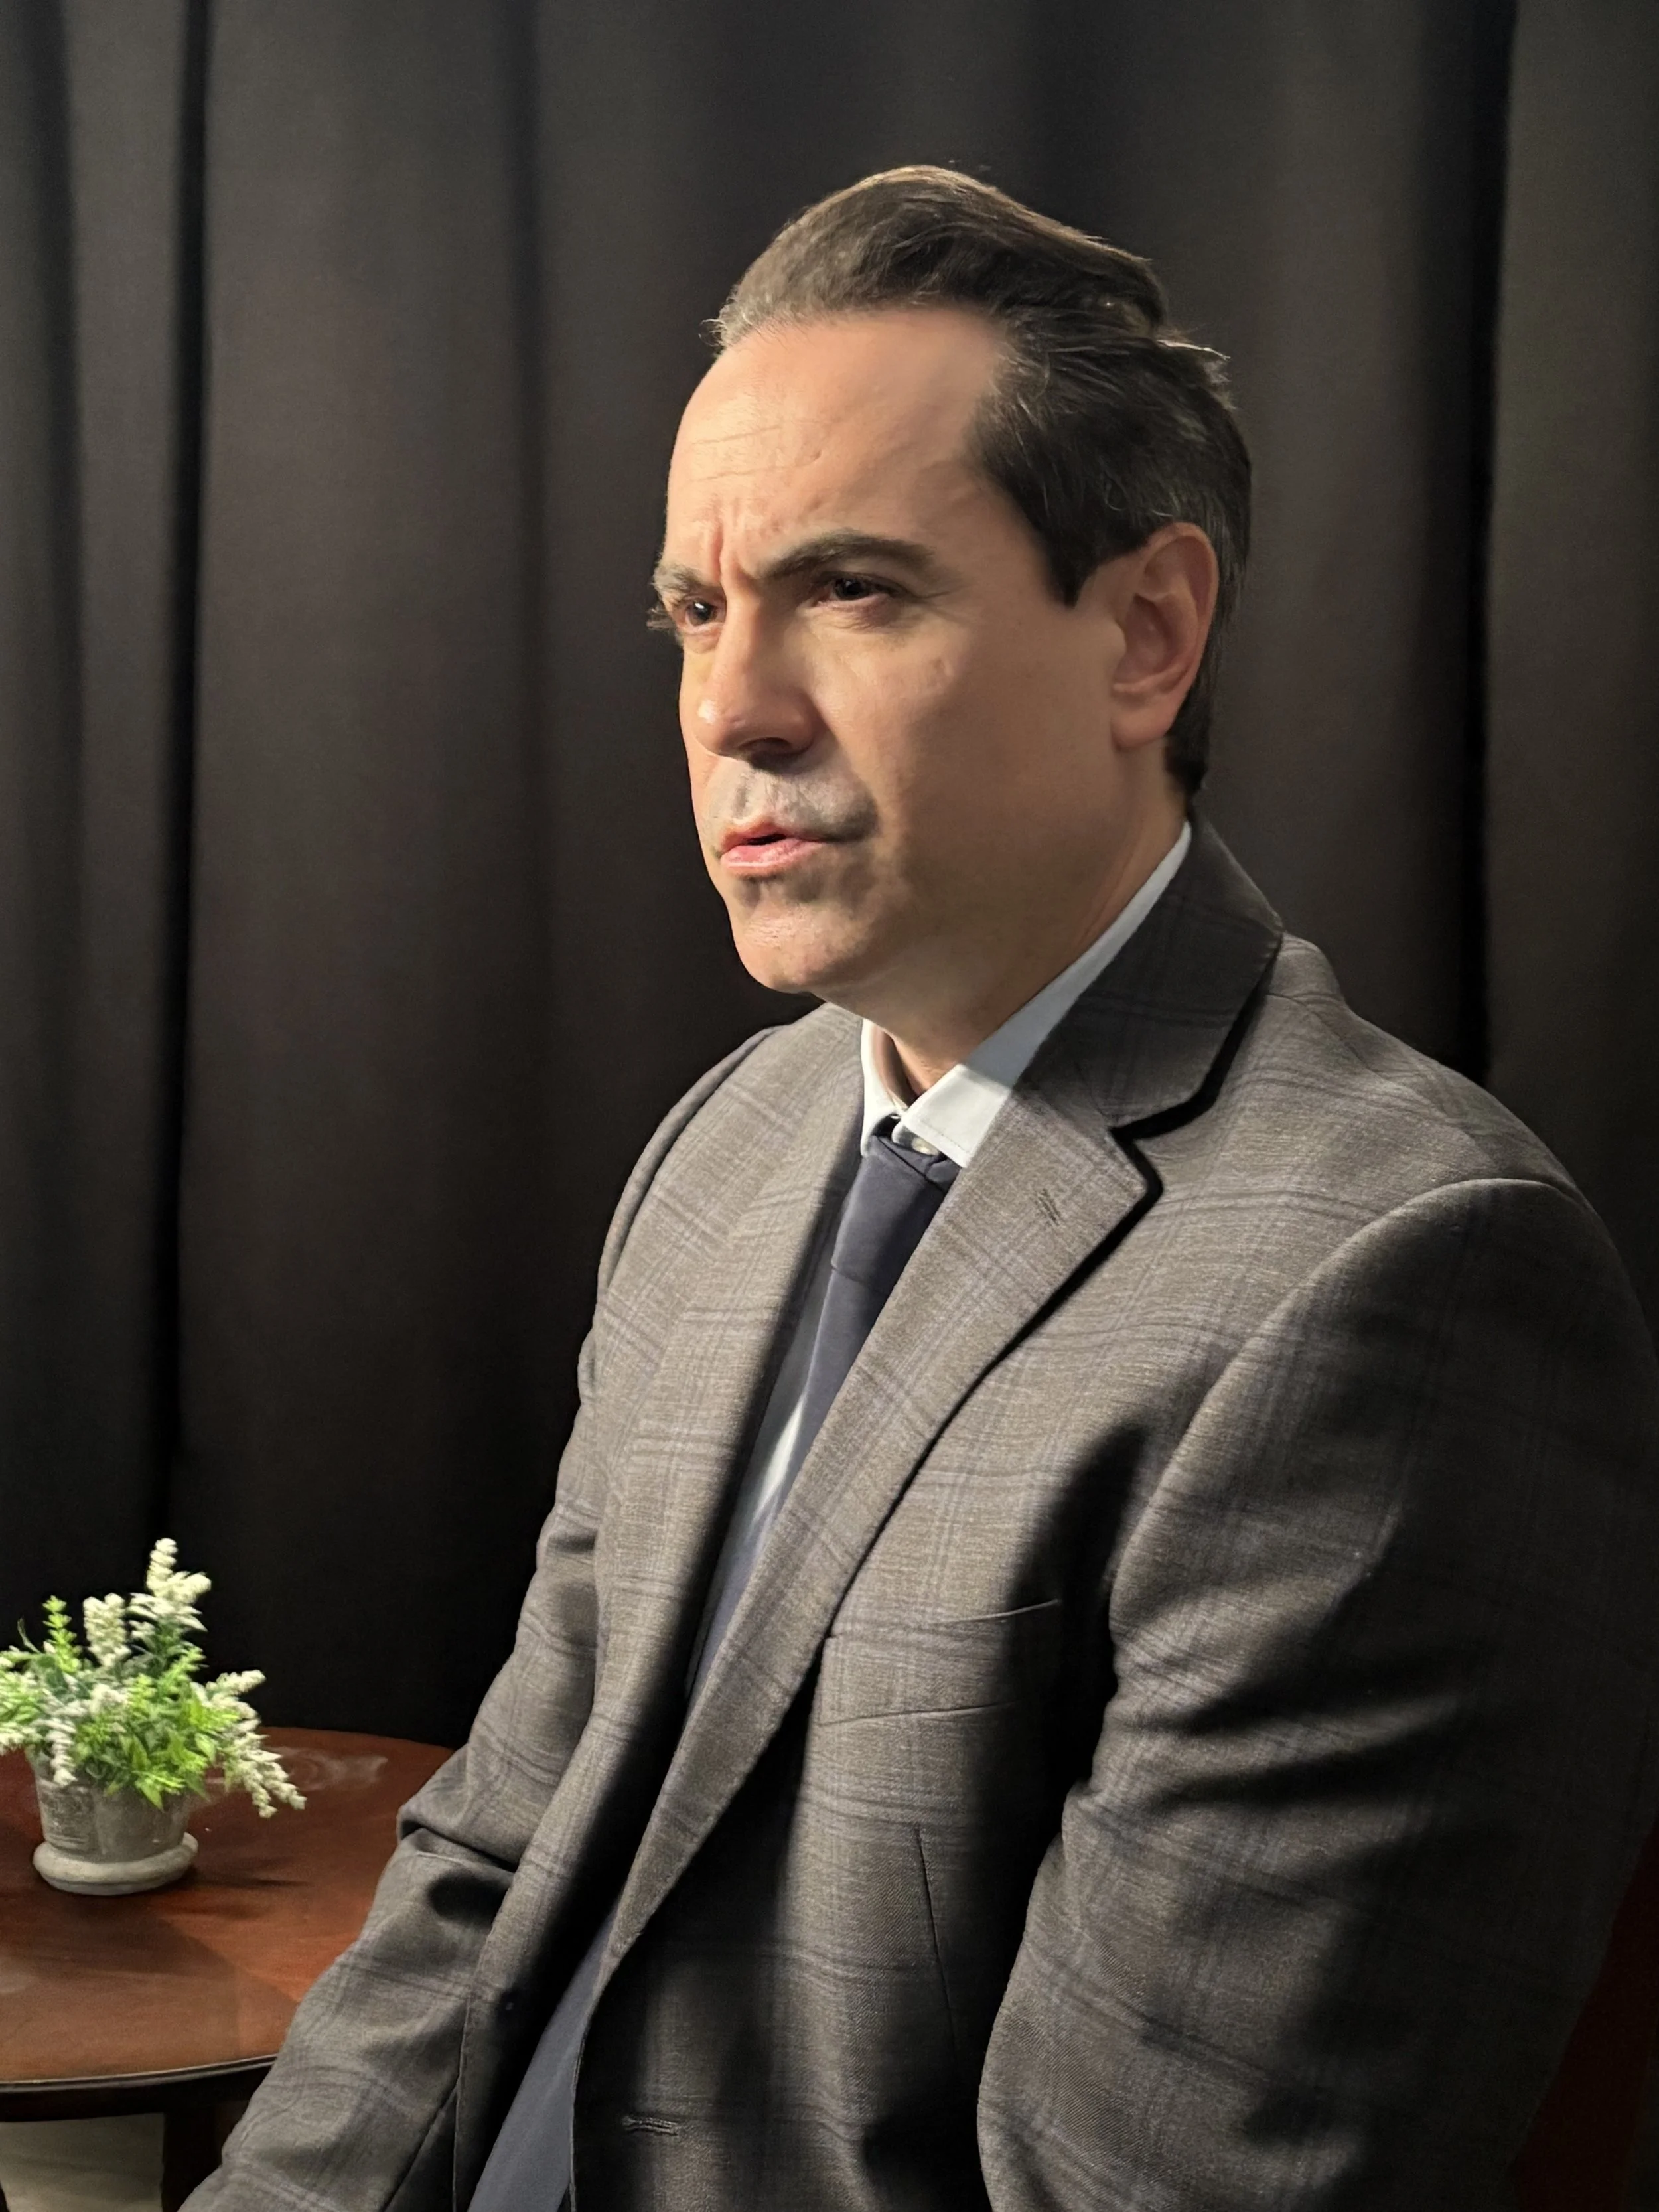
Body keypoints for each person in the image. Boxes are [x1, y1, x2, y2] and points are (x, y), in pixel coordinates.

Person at [193, 168, 1659, 2212]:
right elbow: (494, 1857)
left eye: (853, 589)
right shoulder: (729, 1145)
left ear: (1146, 632)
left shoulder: (1397, 1276)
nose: (727, 707)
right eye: (698, 612)